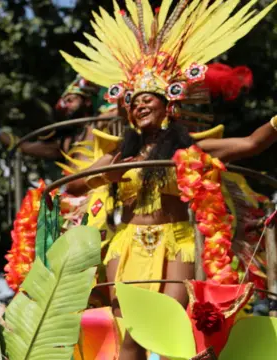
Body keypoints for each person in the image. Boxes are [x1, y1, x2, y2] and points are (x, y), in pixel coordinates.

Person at [59, 1, 277, 359]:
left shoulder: (191, 149)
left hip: (176, 241)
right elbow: (72, 187)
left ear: (168, 106)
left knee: (170, 325)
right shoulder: (118, 156)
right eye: (134, 102)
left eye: (148, 100)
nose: (139, 106)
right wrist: (105, 174)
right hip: (125, 245)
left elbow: (252, 143)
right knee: (129, 333)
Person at [0, 76, 111, 162]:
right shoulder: (67, 143)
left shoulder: (105, 121)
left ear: (87, 102)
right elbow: (24, 147)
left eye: (70, 100)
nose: (64, 105)